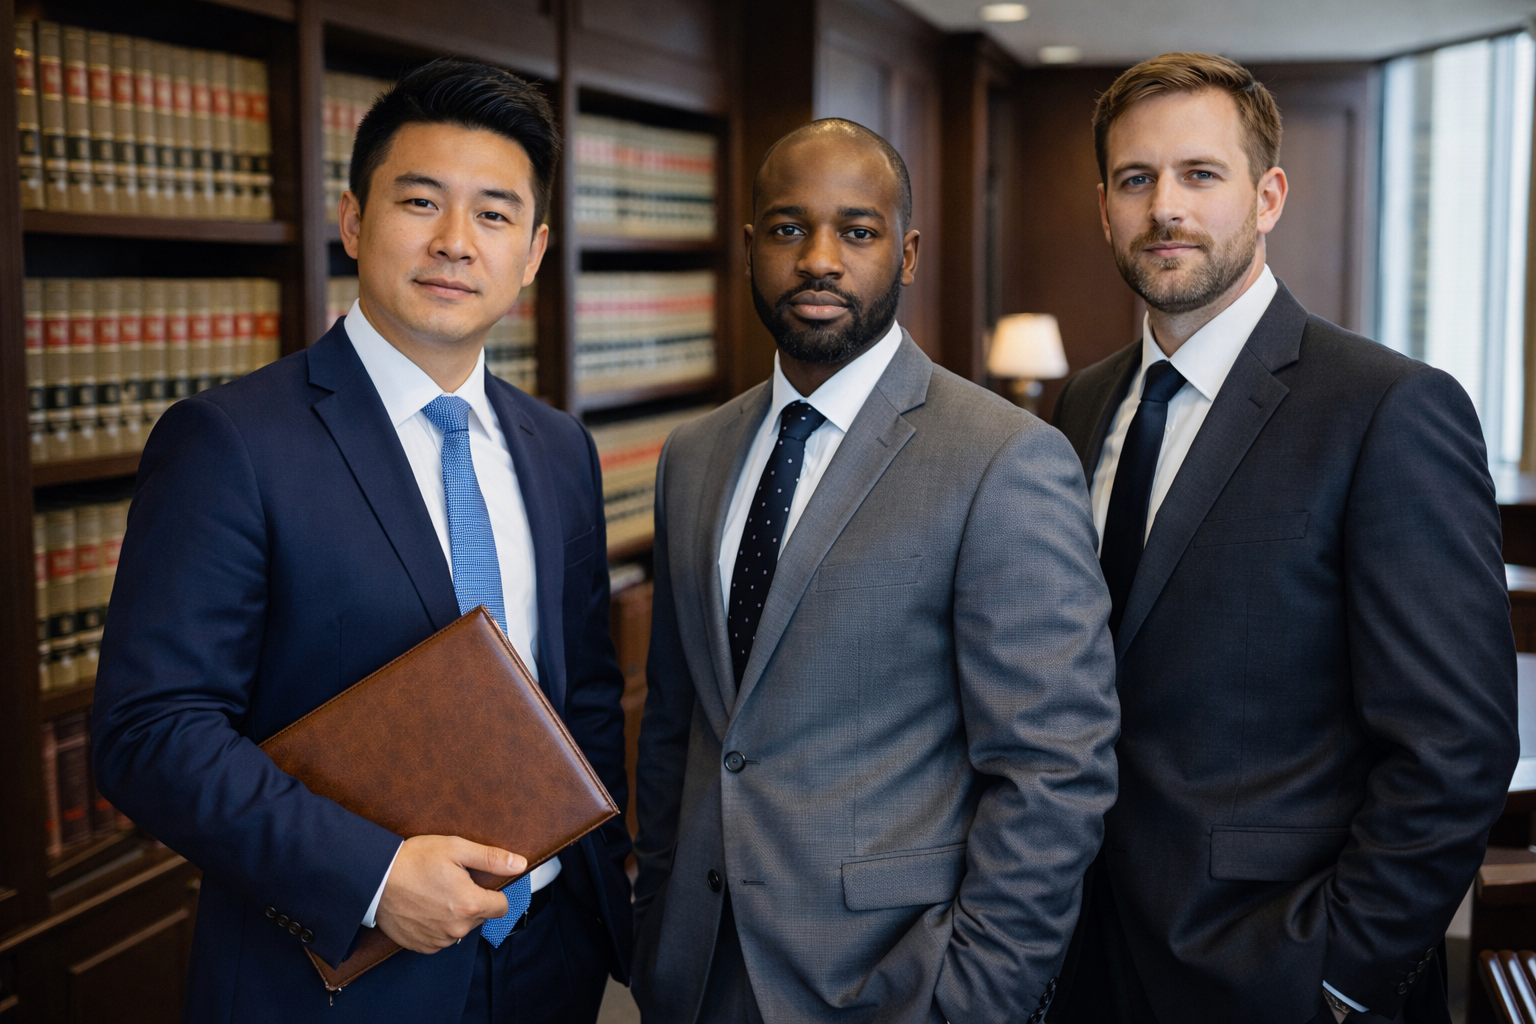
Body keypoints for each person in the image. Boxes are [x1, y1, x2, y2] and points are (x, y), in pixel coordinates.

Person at [91, 59, 631, 1024]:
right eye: (420, 201)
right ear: (352, 220)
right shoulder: (231, 442)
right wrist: (374, 876)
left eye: (495, 215)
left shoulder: (559, 449)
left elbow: (580, 695)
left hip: (550, 965)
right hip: (331, 977)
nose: (455, 242)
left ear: (536, 251)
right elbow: (151, 733)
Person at [1048, 52, 1518, 1024]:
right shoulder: (1083, 403)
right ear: (1103, 207)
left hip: (1282, 965)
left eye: (1200, 174)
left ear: (1267, 195)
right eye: (1136, 179)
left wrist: (1344, 977)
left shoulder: (1388, 408)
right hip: (1087, 950)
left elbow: (1455, 747)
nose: (1164, 206)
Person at [631, 118, 1120, 1024]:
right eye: (788, 229)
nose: (819, 259)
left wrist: (977, 997)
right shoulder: (693, 454)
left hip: (891, 980)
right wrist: (653, 917)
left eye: (857, 232)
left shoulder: (1005, 458)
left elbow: (1054, 768)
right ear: (749, 247)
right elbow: (678, 724)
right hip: (696, 971)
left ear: (907, 251)